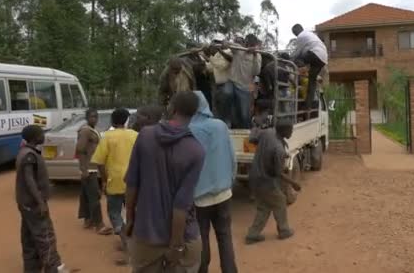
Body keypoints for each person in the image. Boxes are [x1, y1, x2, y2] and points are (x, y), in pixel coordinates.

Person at [125, 91, 205, 273]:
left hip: (146, 234)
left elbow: (131, 184)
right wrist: (176, 246)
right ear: (194, 114)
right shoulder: (196, 150)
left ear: (171, 108)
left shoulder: (145, 136)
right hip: (185, 237)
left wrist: (130, 219)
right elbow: (181, 204)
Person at [189, 91, 238, 273]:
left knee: (201, 239)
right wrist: (229, 182)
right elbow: (233, 158)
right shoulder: (220, 126)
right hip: (223, 194)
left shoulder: (187, 130)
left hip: (198, 198)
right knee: (225, 238)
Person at [16, 125, 71, 273]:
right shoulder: (29, 155)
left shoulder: (25, 151)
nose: (44, 136)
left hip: (25, 203)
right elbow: (29, 180)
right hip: (33, 203)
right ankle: (54, 268)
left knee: (28, 237)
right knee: (45, 236)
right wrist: (40, 202)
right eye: (41, 133)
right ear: (35, 137)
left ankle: (31, 268)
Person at [91, 108, 138, 264]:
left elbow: (99, 162)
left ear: (112, 121)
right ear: (127, 120)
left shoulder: (107, 137)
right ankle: (132, 242)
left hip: (114, 182)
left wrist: (104, 180)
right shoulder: (135, 135)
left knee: (114, 212)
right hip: (133, 182)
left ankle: (124, 239)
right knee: (132, 212)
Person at [245, 120, 301, 244]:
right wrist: (293, 183)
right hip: (265, 180)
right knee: (280, 200)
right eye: (290, 130)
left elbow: (252, 137)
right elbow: (278, 173)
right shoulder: (278, 149)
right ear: (284, 131)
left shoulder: (268, 133)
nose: (292, 132)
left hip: (254, 176)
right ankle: (284, 230)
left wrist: (264, 152)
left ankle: (252, 234)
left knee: (264, 207)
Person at [76, 108, 111, 235]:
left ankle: (88, 219)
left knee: (85, 196)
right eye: (91, 117)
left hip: (92, 167)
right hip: (89, 168)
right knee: (94, 196)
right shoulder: (86, 131)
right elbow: (80, 149)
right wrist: (84, 169)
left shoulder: (92, 129)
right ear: (87, 118)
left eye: (96, 117)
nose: (94, 119)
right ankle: (99, 225)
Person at [290, 24, 328, 107]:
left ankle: (299, 72)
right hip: (323, 58)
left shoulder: (300, 36)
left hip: (315, 54)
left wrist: (289, 60)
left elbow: (297, 53)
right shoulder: (310, 34)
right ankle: (308, 106)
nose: (295, 35)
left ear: (296, 32)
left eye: (294, 34)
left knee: (297, 58)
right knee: (312, 81)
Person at [229, 34, 262, 128]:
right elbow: (228, 45)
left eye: (252, 44)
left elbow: (256, 72)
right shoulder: (238, 49)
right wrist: (224, 43)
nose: (249, 45)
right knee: (232, 111)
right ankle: (232, 129)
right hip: (233, 83)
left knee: (244, 114)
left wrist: (255, 55)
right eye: (247, 43)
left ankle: (246, 133)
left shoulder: (258, 55)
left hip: (245, 88)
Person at [205, 44, 234, 126]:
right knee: (218, 108)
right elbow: (210, 68)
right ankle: (219, 126)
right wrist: (201, 56)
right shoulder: (216, 55)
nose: (212, 48)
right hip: (217, 85)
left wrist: (209, 57)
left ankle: (227, 126)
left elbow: (221, 66)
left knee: (225, 108)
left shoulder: (228, 53)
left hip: (227, 84)